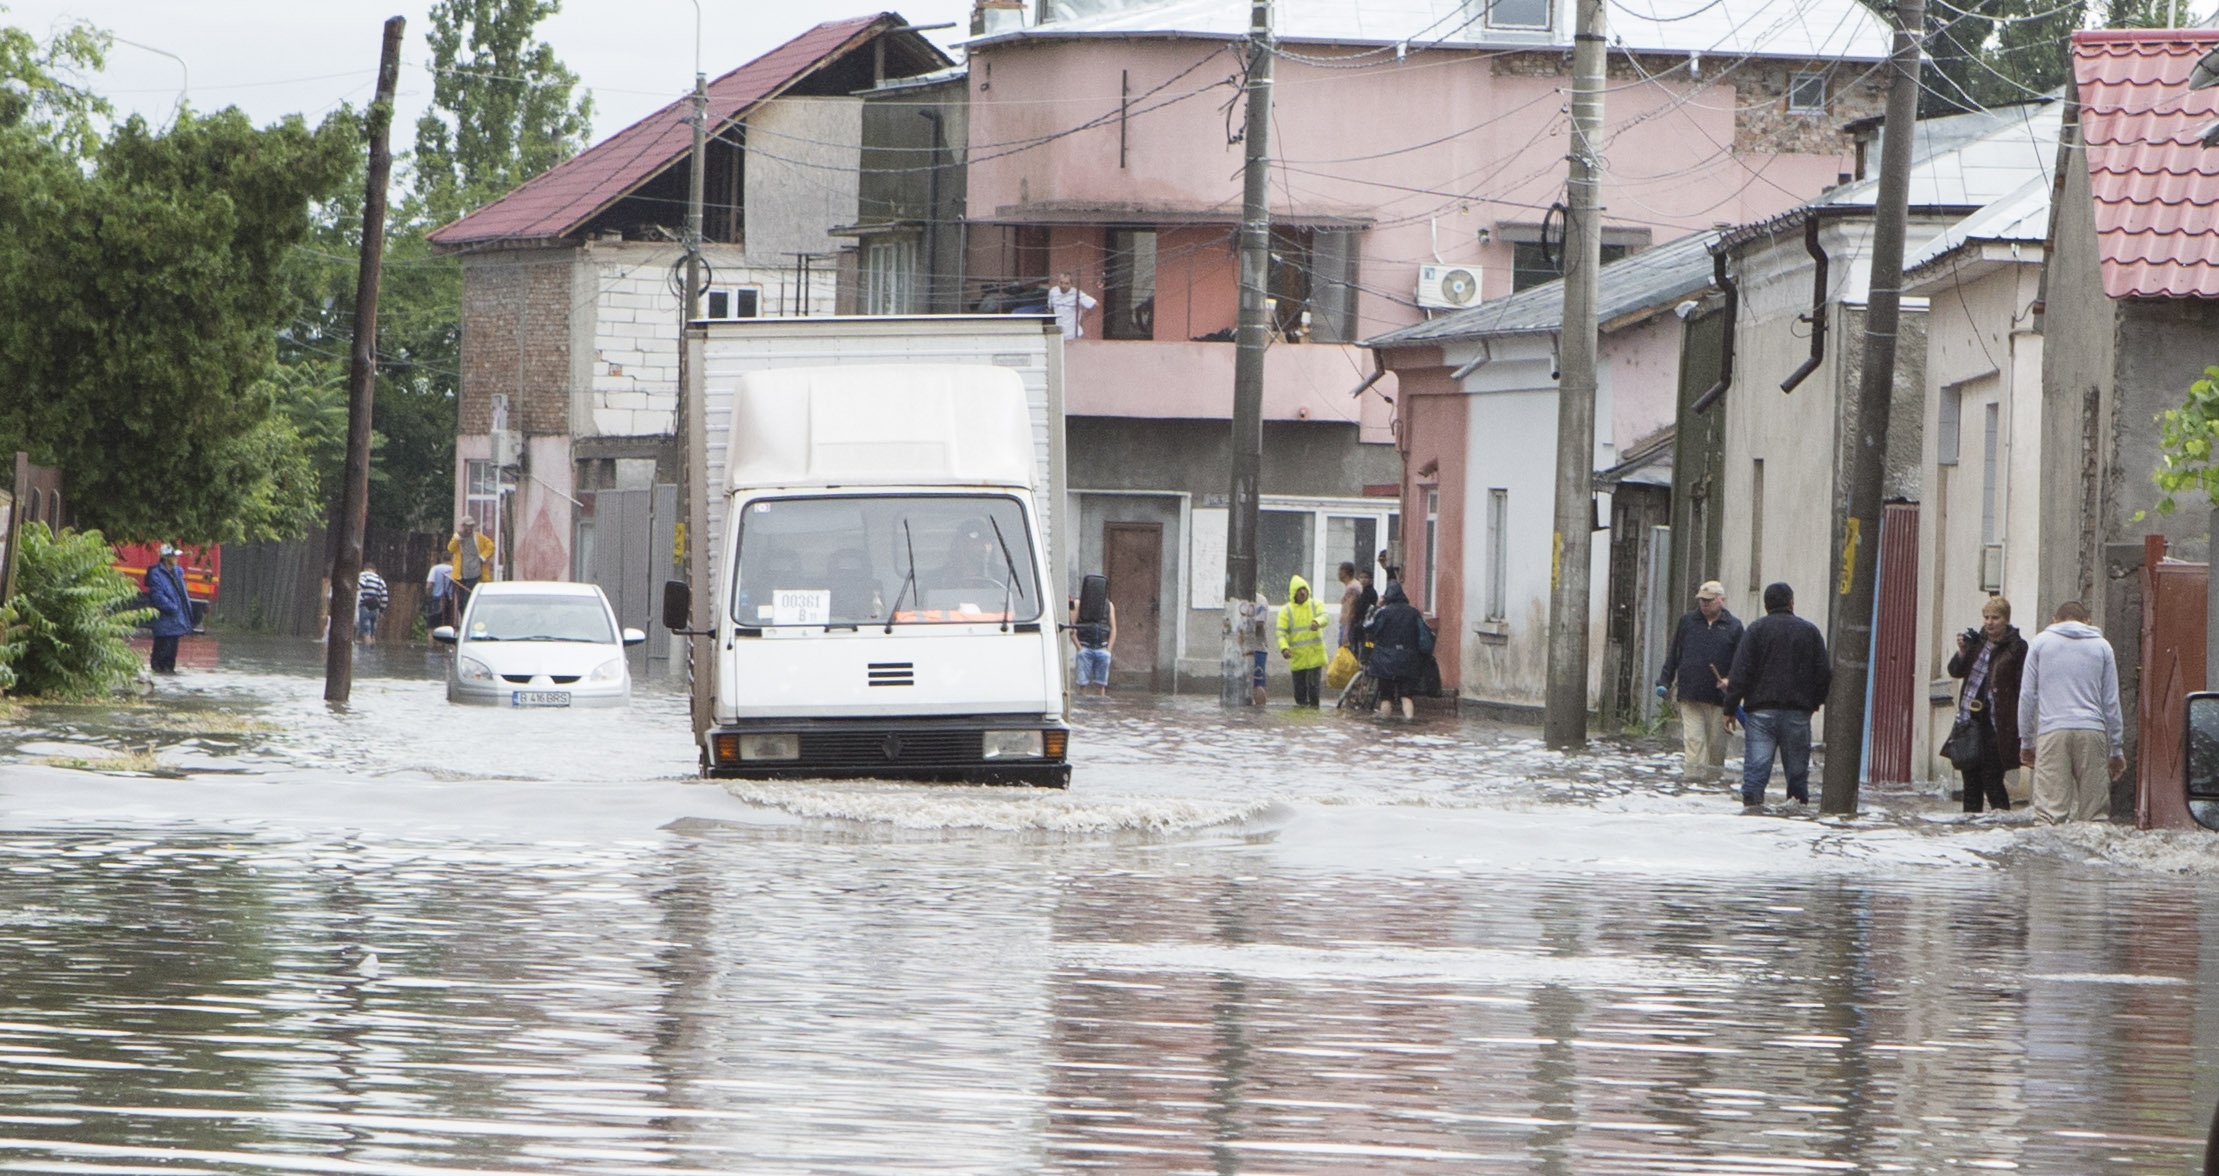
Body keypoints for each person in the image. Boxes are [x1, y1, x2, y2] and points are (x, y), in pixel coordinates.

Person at [1722, 582, 1832, 811]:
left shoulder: (1755, 630)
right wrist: (1813, 704)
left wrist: (1730, 709)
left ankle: (1752, 812)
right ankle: (1797, 815)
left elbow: (1740, 671)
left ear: (1765, 605)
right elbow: (1823, 673)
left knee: (1756, 770)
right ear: (1791, 603)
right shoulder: (1809, 632)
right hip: (1797, 712)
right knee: (1797, 773)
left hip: (1760, 712)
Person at [2017, 600, 2125, 824]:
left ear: (2054, 620)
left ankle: (2048, 859)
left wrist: (2026, 741)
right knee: (2095, 817)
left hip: (2052, 732)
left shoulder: (2040, 643)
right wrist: (2116, 748)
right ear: (2088, 621)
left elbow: (2027, 696)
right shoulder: (2102, 646)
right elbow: (2111, 702)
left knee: (2048, 816)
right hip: (2092, 732)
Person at [1656, 579, 1744, 785]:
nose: (1704, 604)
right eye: (1701, 600)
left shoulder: (1734, 627)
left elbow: (1742, 661)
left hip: (1719, 699)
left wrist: (1731, 680)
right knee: (1694, 743)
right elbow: (1675, 653)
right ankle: (1693, 783)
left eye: (1709, 600)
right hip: (1691, 695)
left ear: (1721, 600)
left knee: (1715, 748)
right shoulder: (1688, 622)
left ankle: (1712, 785)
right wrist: (1665, 680)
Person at [1947, 596, 2028, 813]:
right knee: (1970, 783)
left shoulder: (2016, 647)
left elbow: (2021, 686)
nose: (1990, 622)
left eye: (1995, 618)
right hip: (1969, 720)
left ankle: (2001, 827)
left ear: (2006, 620)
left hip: (1997, 723)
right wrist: (1962, 652)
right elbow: (1955, 671)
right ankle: (1970, 832)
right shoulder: (1976, 643)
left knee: (1992, 779)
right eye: (1986, 618)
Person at [1365, 581, 1427, 720]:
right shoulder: (1413, 613)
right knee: (1406, 696)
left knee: (1386, 696)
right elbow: (1424, 637)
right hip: (1408, 660)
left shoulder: (1383, 613)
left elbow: (1368, 627)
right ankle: (1409, 720)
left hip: (1385, 661)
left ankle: (1385, 723)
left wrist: (1375, 606)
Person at [1277, 575, 1329, 707]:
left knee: (1313, 691)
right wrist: (1284, 648)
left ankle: (1312, 718)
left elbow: (1325, 616)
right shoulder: (1286, 611)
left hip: (1314, 657)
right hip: (1297, 658)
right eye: (1299, 590)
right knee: (1299, 694)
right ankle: (1301, 719)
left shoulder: (1314, 604)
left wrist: (1317, 622)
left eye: (1304, 589)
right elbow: (1280, 632)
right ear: (1293, 592)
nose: (1302, 592)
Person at [146, 544, 192, 675]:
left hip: (176, 620)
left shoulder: (177, 572)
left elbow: (182, 595)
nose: (176, 558)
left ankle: (167, 676)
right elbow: (157, 596)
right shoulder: (156, 574)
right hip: (164, 620)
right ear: (166, 558)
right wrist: (173, 608)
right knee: (160, 656)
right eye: (174, 556)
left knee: (170, 658)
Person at [1069, 597, 1117, 696]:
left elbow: (1113, 628)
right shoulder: (1079, 603)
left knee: (1101, 685)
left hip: (1102, 647)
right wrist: (1079, 648)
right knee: (1082, 684)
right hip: (1085, 647)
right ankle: (1082, 705)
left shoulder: (1108, 605)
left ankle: (1100, 708)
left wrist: (1108, 650)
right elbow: (1071, 627)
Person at [449, 518, 495, 615]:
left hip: (474, 571)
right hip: (460, 573)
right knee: (460, 601)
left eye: (471, 526)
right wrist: (457, 537)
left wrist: (482, 557)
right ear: (463, 526)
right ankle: (464, 618)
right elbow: (450, 549)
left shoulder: (478, 537)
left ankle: (469, 617)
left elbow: (491, 546)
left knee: (467, 597)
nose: (469, 528)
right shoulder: (458, 537)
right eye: (467, 526)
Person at [1047, 272, 1097, 341]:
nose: (1063, 286)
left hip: (1074, 336)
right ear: (1058, 282)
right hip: (1058, 335)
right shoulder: (1053, 292)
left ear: (1071, 284)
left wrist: (1084, 317)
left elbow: (1094, 304)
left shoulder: (1077, 294)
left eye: (1066, 283)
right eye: (1061, 283)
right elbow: (1050, 309)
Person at [356, 563, 389, 644]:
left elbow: (360, 585)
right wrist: (381, 611)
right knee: (373, 634)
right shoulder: (380, 580)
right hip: (376, 608)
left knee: (366, 632)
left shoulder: (363, 575)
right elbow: (385, 598)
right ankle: (372, 652)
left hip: (365, 606)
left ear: (365, 568)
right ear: (375, 570)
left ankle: (367, 654)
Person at [1335, 561, 1366, 650]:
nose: (1338, 574)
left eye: (1339, 571)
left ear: (1345, 572)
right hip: (1348, 625)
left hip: (1348, 626)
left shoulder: (1352, 588)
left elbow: (1351, 610)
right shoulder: (1352, 586)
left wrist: (1346, 632)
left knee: (1345, 654)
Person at [425, 561, 454, 629]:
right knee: (447, 627)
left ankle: (431, 639)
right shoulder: (454, 569)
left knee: (432, 627)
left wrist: (428, 596)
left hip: (436, 600)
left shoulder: (435, 568)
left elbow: (429, 585)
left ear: (442, 559)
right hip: (450, 601)